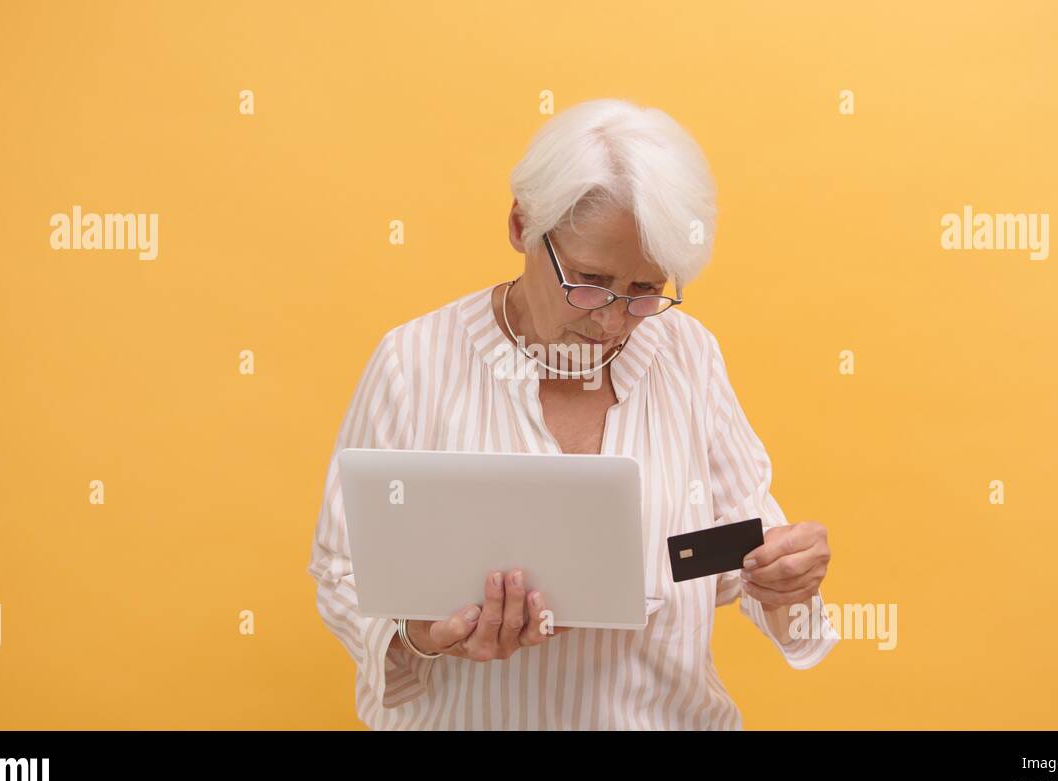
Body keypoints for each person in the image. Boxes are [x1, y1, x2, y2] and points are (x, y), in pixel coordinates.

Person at [308, 98, 839, 730]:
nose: (612, 321)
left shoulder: (687, 354)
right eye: (589, 279)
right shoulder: (413, 362)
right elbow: (342, 569)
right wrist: (420, 635)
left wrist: (784, 580)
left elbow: (730, 552)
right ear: (522, 225)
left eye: (644, 291)